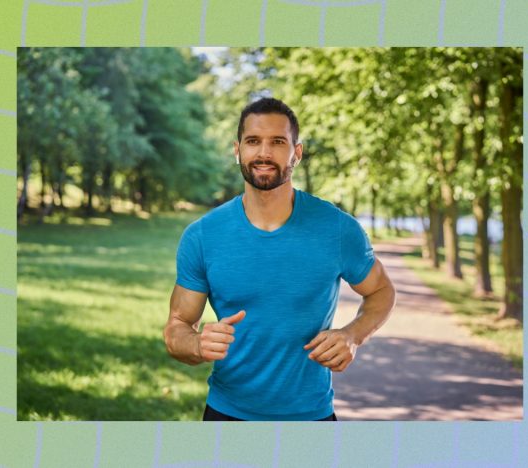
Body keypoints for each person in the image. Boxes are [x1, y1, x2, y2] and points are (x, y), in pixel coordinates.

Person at [163, 97, 396, 421]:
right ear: (237, 150)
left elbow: (382, 291)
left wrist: (352, 335)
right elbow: (176, 328)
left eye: (277, 142)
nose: (263, 153)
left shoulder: (338, 229)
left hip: (311, 417)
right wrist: (198, 344)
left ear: (296, 153)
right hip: (227, 415)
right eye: (253, 141)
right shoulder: (203, 236)